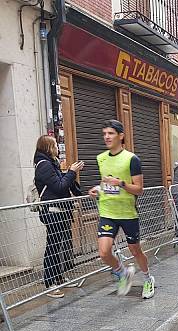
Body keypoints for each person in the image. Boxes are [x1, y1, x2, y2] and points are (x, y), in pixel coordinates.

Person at [88, 120, 154, 299]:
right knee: (103, 252)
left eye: (110, 133)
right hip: (107, 212)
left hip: (127, 213)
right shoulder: (101, 158)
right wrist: (98, 189)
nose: (106, 137)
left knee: (135, 250)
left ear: (121, 136)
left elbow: (139, 189)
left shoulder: (132, 159)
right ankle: (123, 272)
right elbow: (105, 182)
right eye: (104, 134)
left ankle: (148, 279)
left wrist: (122, 183)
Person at [34, 135, 84, 299]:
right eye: (55, 144)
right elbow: (60, 186)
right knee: (53, 247)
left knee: (59, 246)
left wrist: (70, 173)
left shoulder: (52, 164)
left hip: (61, 211)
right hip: (53, 212)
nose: (57, 147)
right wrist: (71, 172)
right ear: (48, 147)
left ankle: (59, 278)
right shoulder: (44, 165)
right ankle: (50, 283)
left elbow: (63, 183)